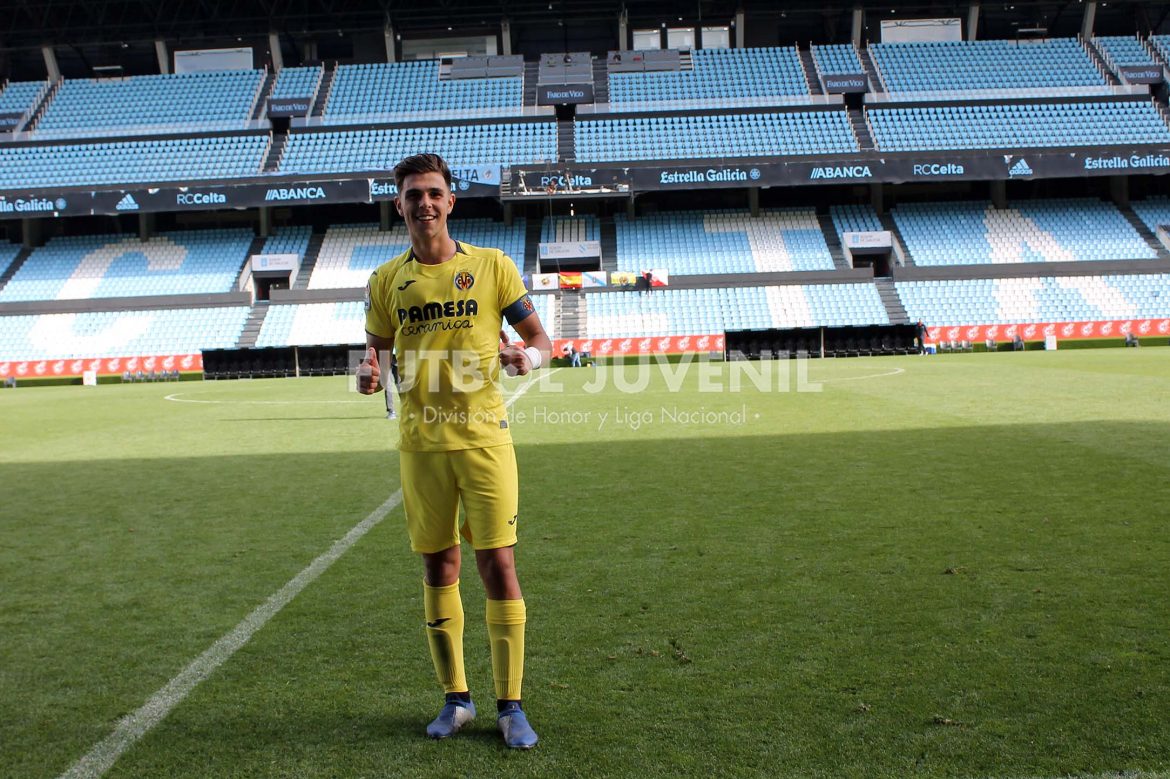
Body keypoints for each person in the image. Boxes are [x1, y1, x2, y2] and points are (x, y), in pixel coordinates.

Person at [358, 153, 552, 750]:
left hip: (485, 441)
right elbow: (375, 356)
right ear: (400, 204)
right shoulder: (386, 280)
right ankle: (457, 700)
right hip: (422, 447)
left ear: (451, 201)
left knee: (498, 565)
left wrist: (531, 358)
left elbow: (540, 338)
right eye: (413, 194)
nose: (425, 203)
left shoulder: (492, 266)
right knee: (439, 566)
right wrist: (367, 377)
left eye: (434, 193)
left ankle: (511, 706)